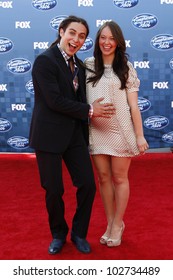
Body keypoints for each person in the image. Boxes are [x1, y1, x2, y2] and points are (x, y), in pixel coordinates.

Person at [29, 15, 115, 254]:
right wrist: (90, 110)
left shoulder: (79, 65)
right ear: (61, 32)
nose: (76, 39)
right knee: (54, 190)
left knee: (88, 185)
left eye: (82, 36)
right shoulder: (45, 62)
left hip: (74, 136)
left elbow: (78, 97)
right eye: (72, 33)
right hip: (48, 136)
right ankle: (58, 234)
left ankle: (78, 233)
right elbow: (54, 101)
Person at [85, 20, 149, 247]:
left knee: (120, 178)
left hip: (121, 131)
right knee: (103, 178)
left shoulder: (126, 69)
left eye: (112, 38)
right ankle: (111, 222)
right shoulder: (89, 65)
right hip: (97, 131)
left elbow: (133, 106)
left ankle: (118, 223)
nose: (107, 42)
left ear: (119, 42)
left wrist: (139, 135)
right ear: (98, 40)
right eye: (103, 37)